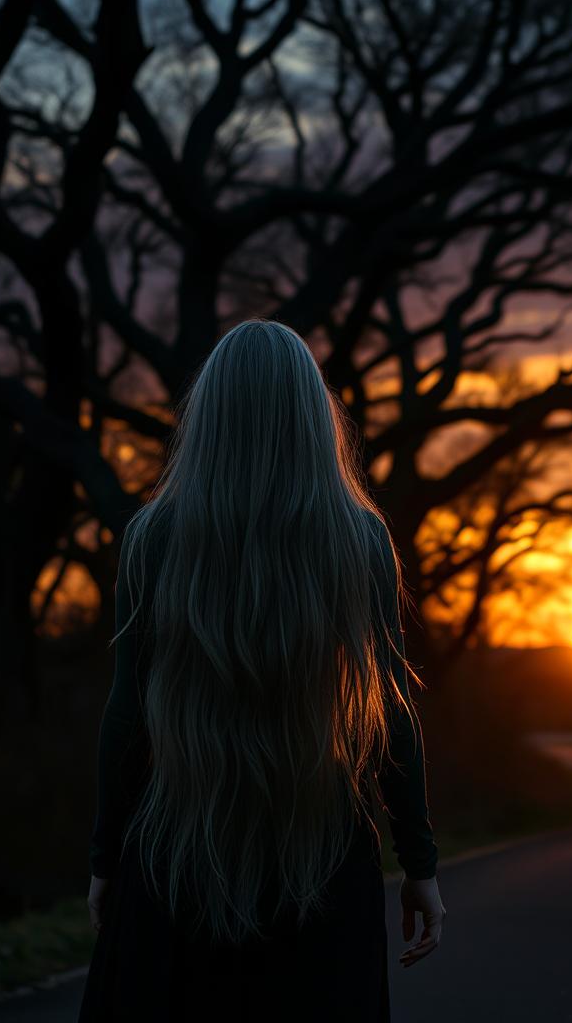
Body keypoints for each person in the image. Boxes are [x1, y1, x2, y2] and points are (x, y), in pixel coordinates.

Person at [77, 318, 446, 1022]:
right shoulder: (359, 537)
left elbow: (126, 712)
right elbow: (392, 710)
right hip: (323, 859)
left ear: (209, 417)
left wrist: (105, 857)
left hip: (177, 856)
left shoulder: (155, 536)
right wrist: (418, 863)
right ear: (313, 420)